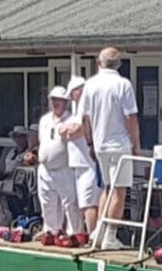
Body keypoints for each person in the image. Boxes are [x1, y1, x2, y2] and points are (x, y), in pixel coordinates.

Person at [79, 47, 139, 250]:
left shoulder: (90, 85)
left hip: (100, 144)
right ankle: (110, 235)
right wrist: (136, 145)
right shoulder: (123, 84)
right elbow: (131, 117)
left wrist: (90, 143)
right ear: (119, 64)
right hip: (119, 144)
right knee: (119, 192)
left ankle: (99, 232)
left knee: (107, 187)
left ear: (99, 62)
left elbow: (84, 118)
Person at [36, 87, 84, 246]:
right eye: (54, 100)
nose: (56, 103)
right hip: (45, 168)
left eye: (59, 100)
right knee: (47, 202)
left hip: (64, 168)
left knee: (70, 202)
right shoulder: (44, 120)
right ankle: (51, 231)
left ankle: (74, 234)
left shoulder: (72, 120)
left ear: (66, 102)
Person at [62, 76, 100, 237]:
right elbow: (64, 131)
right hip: (78, 166)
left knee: (89, 204)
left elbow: (75, 131)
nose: (71, 97)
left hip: (89, 165)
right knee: (83, 203)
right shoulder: (77, 113)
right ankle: (89, 235)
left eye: (73, 93)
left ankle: (93, 237)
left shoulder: (88, 109)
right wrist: (70, 130)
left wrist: (72, 130)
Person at [0, 126, 38, 228]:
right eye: (15, 136)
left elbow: (23, 169)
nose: (17, 139)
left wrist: (8, 174)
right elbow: (2, 168)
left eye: (20, 136)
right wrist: (0, 174)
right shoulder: (11, 151)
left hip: (18, 183)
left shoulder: (32, 152)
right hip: (7, 178)